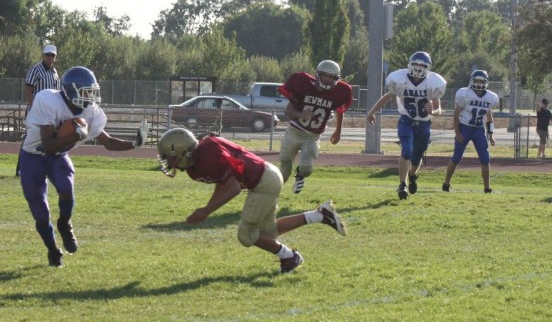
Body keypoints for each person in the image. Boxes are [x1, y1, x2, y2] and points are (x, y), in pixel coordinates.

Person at [156, 128, 346, 274]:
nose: (168, 162)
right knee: (268, 233)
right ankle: (320, 215)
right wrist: (207, 208)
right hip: (266, 177)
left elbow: (233, 188)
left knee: (247, 236)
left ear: (182, 150)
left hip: (263, 181)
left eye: (169, 156)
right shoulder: (195, 165)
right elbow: (222, 183)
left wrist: (206, 211)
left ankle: (290, 257)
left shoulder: (206, 154)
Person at [19, 66, 149, 267]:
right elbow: (47, 146)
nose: (91, 96)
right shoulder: (48, 100)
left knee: (66, 187)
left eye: (92, 91)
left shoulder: (91, 112)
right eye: (86, 91)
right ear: (71, 90)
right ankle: (53, 251)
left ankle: (64, 222)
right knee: (41, 213)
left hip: (58, 156)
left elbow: (109, 142)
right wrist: (75, 134)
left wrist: (134, 144)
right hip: (33, 156)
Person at [366, 51, 447, 200]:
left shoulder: (433, 83)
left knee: (416, 157)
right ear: (409, 64)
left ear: (428, 67)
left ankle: (412, 175)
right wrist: (372, 112)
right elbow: (387, 97)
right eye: (415, 64)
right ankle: (402, 184)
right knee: (407, 150)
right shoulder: (400, 79)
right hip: (406, 120)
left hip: (424, 124)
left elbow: (438, 109)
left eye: (422, 65)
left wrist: (433, 111)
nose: (418, 67)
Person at [278, 60, 353, 194]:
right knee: (284, 167)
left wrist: (338, 131)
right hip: (294, 131)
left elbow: (340, 110)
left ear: (336, 79)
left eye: (331, 77)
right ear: (318, 75)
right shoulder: (303, 85)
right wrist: (301, 114)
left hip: (312, 136)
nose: (328, 80)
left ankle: (300, 174)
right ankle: (273, 193)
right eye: (325, 76)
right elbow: (288, 111)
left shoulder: (339, 92)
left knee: (307, 168)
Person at [442, 70, 499, 193]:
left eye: (481, 81)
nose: (479, 83)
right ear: (472, 81)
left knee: (485, 159)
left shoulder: (490, 97)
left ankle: (487, 188)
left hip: (479, 129)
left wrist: (491, 134)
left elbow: (489, 117)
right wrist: (457, 133)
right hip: (465, 127)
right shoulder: (465, 93)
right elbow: (456, 114)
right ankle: (446, 183)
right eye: (477, 80)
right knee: (456, 158)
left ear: (486, 82)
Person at [16, 44, 61, 177]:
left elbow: (57, 94)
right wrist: (34, 107)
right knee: (30, 140)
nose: (50, 58)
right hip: (35, 112)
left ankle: (45, 168)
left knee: (48, 140)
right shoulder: (35, 69)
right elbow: (28, 90)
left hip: (49, 113)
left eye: (52, 55)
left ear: (55, 57)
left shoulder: (55, 73)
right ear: (43, 56)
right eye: (47, 55)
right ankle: (21, 169)